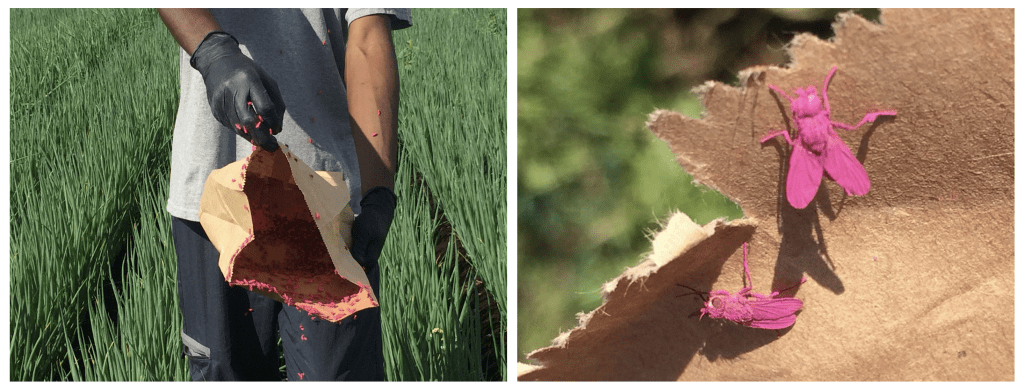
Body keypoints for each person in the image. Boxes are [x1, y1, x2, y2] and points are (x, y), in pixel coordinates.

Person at [158, 8, 410, 381]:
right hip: (216, 199)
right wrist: (213, 50)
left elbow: (368, 37)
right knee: (225, 372)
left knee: (335, 376)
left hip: (326, 205)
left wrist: (378, 192)